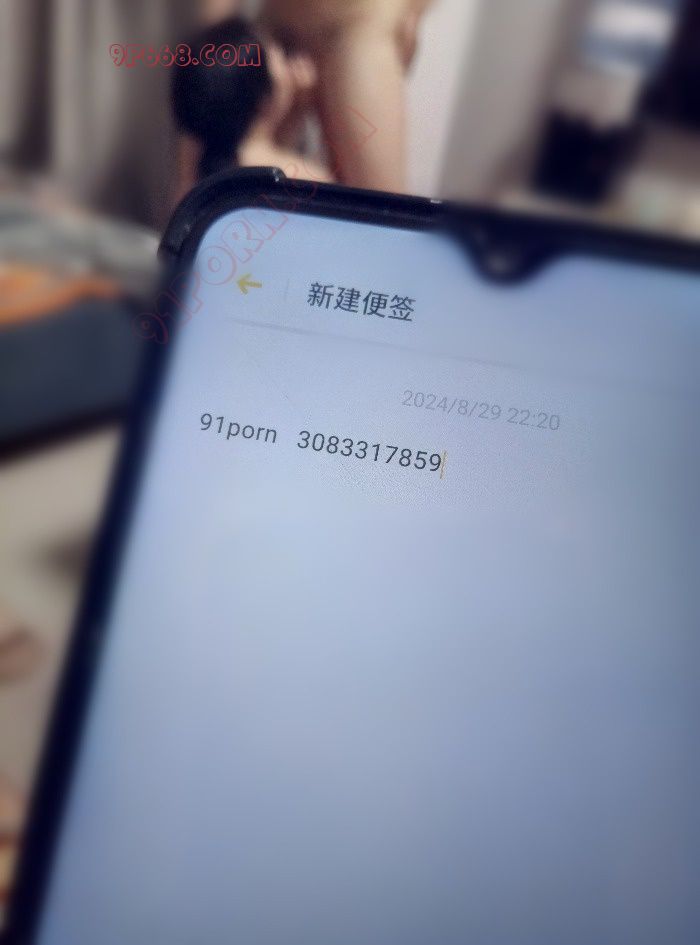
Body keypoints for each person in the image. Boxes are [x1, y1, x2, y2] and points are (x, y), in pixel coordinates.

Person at [263, 0, 434, 192]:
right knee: (377, 202)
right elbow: (377, 200)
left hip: (335, 20)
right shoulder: (365, 30)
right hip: (358, 18)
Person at [171, 17, 332, 204]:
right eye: (283, 58)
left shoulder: (194, 191)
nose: (291, 68)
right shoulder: (306, 182)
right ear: (265, 97)